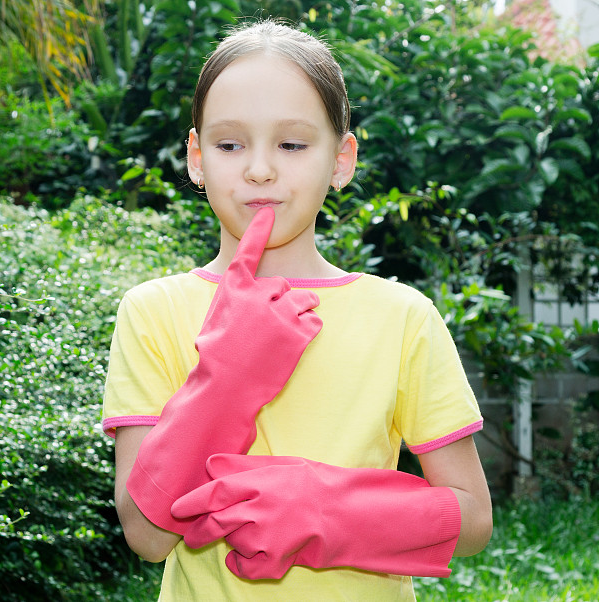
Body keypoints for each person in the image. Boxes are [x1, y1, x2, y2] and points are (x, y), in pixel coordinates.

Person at [102, 19, 492, 601]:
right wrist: (225, 377)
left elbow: (473, 521)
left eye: (292, 143)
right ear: (196, 157)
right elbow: (146, 531)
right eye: (230, 144)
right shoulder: (153, 311)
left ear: (341, 159)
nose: (260, 168)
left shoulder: (403, 316)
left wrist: (328, 511)